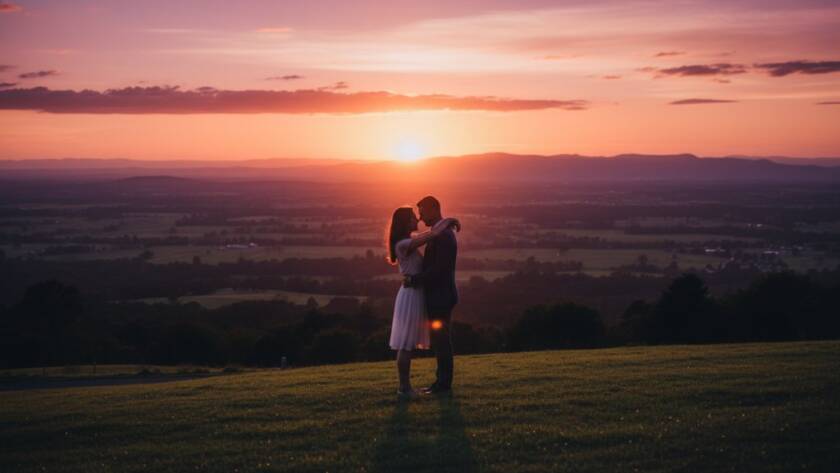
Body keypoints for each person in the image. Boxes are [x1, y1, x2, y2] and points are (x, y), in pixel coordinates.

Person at [387, 206, 459, 399]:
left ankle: (409, 387)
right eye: (412, 217)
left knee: (409, 343)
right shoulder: (403, 244)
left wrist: (447, 221)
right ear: (404, 222)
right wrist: (450, 220)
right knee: (406, 343)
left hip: (414, 293)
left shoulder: (406, 242)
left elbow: (432, 233)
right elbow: (433, 233)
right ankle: (404, 388)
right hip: (410, 295)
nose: (417, 219)